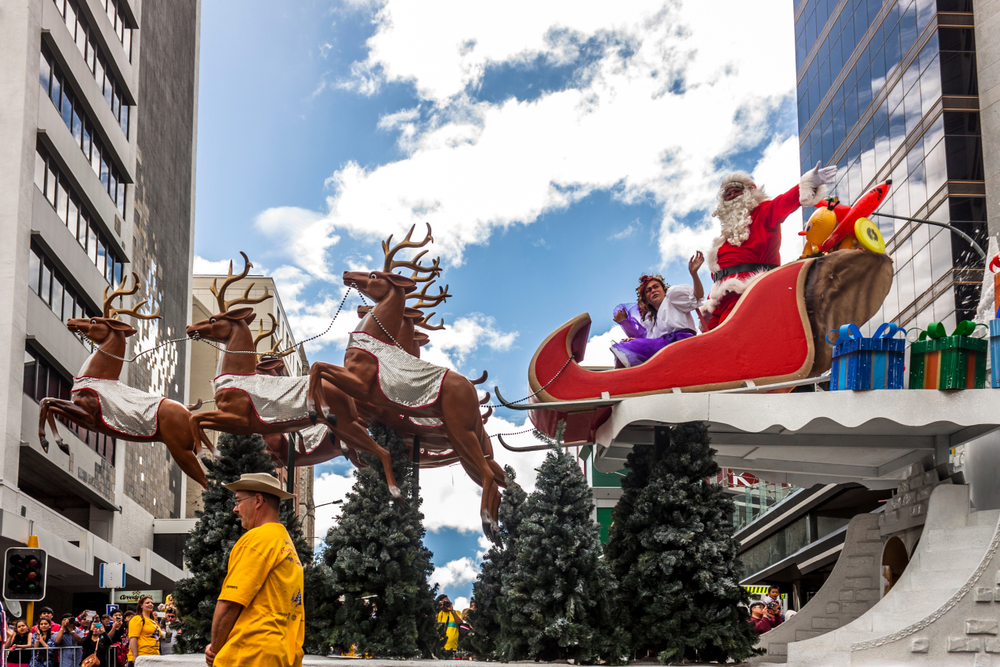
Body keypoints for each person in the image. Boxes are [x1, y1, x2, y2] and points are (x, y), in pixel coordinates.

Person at [702, 162, 838, 331]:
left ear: (750, 193)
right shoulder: (724, 238)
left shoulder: (763, 212)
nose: (732, 196)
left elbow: (783, 203)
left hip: (751, 294)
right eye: (727, 194)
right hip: (722, 302)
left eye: (737, 191)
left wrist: (805, 185)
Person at [204, 473, 304, 667]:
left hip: (249, 655)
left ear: (258, 500)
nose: (235, 509)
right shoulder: (285, 543)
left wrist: (214, 649)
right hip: (281, 654)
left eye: (238, 501)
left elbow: (230, 603)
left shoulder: (258, 539)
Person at [610, 253, 705, 368]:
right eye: (648, 290)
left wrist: (694, 274)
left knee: (626, 348)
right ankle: (622, 382)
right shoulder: (651, 320)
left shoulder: (672, 297)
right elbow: (648, 340)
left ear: (664, 290)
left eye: (656, 287)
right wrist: (633, 340)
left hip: (682, 343)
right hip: (663, 347)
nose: (653, 291)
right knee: (624, 346)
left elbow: (697, 296)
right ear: (646, 300)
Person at [127, 595, 160, 665]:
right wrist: (135, 656)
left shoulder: (152, 621)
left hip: (154, 656)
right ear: (141, 606)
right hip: (142, 657)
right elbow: (133, 638)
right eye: (147, 603)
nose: (150, 604)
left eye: (151, 603)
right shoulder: (137, 619)